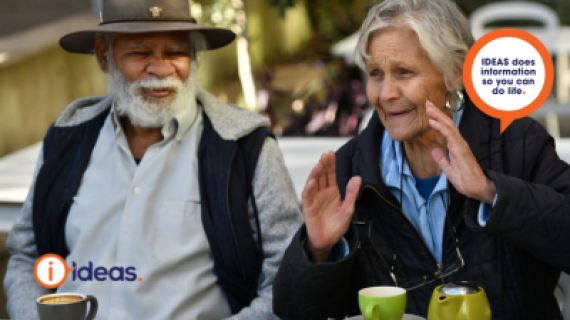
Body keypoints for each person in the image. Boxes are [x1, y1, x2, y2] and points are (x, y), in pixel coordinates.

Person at [4, 0, 302, 319]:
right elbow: (27, 255)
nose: (160, 69)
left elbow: (288, 279)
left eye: (175, 52)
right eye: (140, 53)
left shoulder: (244, 148)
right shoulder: (68, 140)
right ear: (105, 56)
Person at [273, 0, 570, 319]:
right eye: (376, 74)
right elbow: (292, 311)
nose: (385, 93)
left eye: (403, 72)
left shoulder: (517, 143)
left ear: (455, 73)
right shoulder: (349, 171)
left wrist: (491, 192)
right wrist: (317, 253)